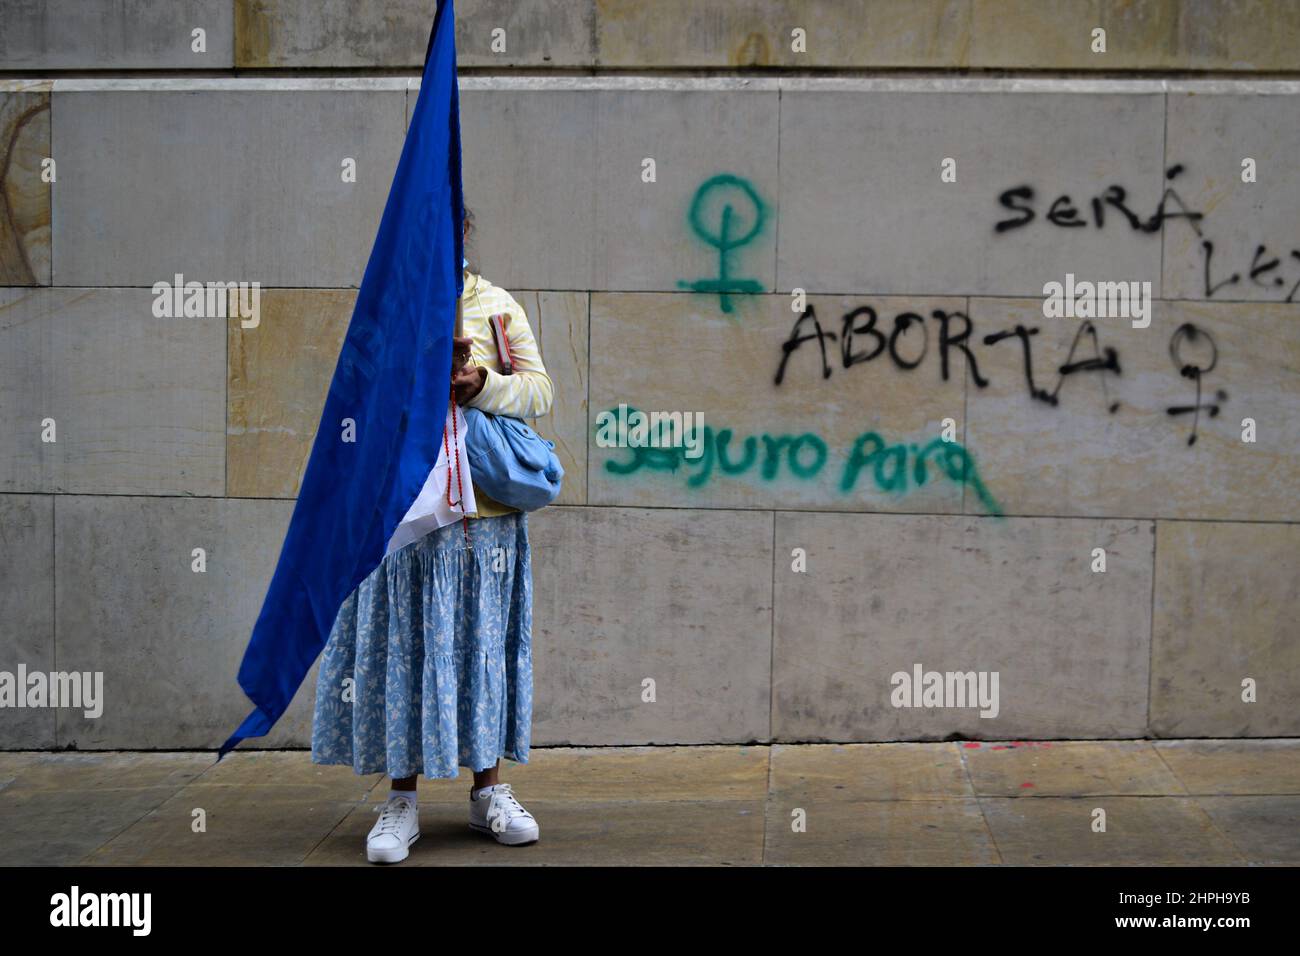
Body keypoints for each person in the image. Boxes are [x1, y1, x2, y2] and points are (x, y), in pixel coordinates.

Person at [311, 207, 554, 863]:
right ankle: (401, 801)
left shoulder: (496, 307)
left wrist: (480, 385)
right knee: (406, 650)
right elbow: (355, 397)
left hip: (485, 519)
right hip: (409, 516)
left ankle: (489, 792)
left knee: (481, 649)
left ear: (464, 237)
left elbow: (539, 390)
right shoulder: (387, 307)